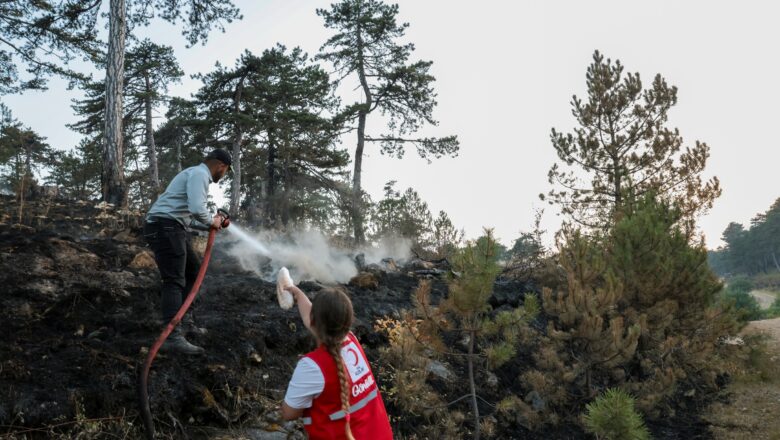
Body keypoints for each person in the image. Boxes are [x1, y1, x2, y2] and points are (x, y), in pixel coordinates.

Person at [143, 148, 231, 355]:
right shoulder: (200, 175)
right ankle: (172, 336)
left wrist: (211, 224)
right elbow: (197, 210)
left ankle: (184, 321)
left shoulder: (194, 174)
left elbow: (188, 216)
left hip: (171, 226)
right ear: (221, 166)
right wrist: (212, 220)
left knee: (192, 272)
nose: (224, 175)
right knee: (174, 280)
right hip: (164, 227)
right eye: (225, 171)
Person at [280, 284, 394, 440]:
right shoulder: (352, 341)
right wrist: (298, 294)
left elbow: (288, 413)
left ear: (314, 321)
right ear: (348, 322)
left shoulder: (312, 366)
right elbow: (316, 321)